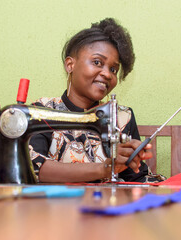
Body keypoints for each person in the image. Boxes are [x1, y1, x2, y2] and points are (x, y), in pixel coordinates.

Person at [29, 18, 164, 183]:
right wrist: (106, 168)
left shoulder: (123, 117)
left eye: (113, 69)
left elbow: (139, 178)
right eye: (97, 62)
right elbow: (34, 167)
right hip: (55, 208)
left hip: (109, 207)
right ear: (70, 64)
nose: (107, 74)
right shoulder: (42, 111)